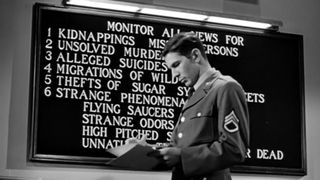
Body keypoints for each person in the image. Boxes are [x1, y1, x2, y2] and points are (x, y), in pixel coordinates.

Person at [128, 32, 250, 180]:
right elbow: (181, 148)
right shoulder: (193, 94)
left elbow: (234, 150)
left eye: (176, 65)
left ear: (195, 56)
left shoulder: (225, 87)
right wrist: (148, 151)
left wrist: (181, 156)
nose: (173, 75)